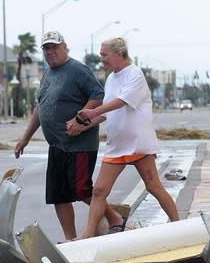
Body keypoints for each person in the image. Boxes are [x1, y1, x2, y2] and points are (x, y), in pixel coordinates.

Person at [14, 30, 125, 241]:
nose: (51, 51)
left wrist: (80, 120)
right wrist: (25, 138)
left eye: (54, 47)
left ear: (64, 47)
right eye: (46, 48)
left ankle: (115, 219)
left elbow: (99, 96)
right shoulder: (48, 73)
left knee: (82, 190)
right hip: (57, 144)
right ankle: (70, 239)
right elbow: (41, 107)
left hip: (79, 144)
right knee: (58, 195)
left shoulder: (77, 70)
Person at [76, 37, 179, 239]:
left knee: (154, 187)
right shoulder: (111, 79)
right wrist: (84, 125)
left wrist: (92, 111)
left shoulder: (135, 74)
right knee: (98, 191)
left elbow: (122, 102)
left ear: (119, 54)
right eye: (101, 55)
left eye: (105, 55)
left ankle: (179, 226)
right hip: (117, 145)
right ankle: (87, 237)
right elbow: (108, 113)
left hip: (138, 144)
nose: (102, 60)